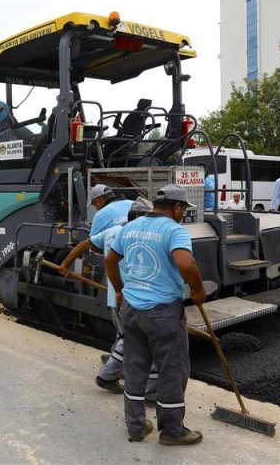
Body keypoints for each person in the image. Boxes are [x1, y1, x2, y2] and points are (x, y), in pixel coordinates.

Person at [106, 184, 207, 446]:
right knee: (171, 370)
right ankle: (172, 431)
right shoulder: (173, 230)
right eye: (183, 210)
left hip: (132, 310)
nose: (182, 214)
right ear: (176, 207)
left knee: (134, 368)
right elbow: (186, 262)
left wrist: (119, 290)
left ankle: (136, 426)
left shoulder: (131, 227)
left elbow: (109, 260)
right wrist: (198, 290)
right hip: (163, 312)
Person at [59, 198, 158, 398]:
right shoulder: (138, 236)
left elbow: (85, 245)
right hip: (128, 297)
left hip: (115, 296)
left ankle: (116, 369)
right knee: (132, 338)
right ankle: (111, 375)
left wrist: (65, 264)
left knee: (125, 335)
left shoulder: (112, 232)